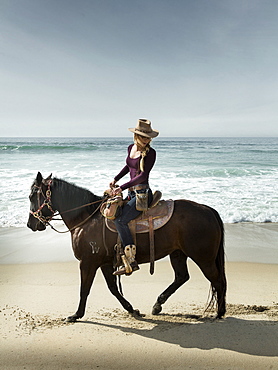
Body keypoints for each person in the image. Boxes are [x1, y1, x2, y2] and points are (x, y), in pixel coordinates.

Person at [110, 119, 159, 276]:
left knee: (120, 220)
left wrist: (121, 187)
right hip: (130, 192)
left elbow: (142, 176)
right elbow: (128, 166)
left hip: (143, 194)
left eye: (148, 138)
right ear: (136, 136)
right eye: (144, 137)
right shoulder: (131, 148)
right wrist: (116, 179)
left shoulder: (151, 153)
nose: (147, 140)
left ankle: (131, 260)